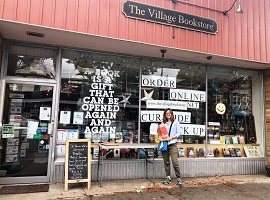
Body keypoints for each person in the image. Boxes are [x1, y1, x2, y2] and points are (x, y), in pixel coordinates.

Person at [158, 108, 183, 186]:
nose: (168, 114)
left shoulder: (176, 122)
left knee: (175, 162)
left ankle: (179, 179)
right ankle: (168, 178)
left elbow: (179, 133)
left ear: (172, 114)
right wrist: (159, 138)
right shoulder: (163, 123)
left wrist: (171, 138)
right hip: (165, 144)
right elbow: (159, 133)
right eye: (166, 113)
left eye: (169, 113)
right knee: (166, 162)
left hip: (172, 144)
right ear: (165, 114)